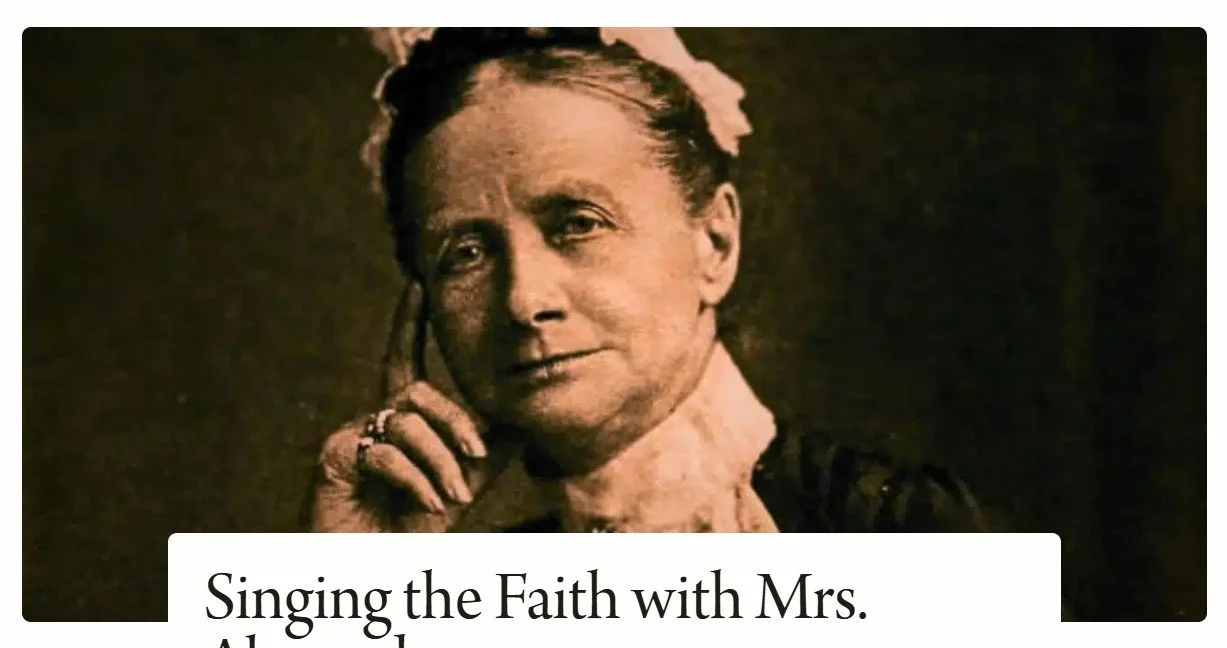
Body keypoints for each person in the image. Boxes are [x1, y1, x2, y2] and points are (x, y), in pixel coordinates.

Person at [309, 27, 986, 535]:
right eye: (465, 254)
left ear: (714, 242)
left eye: (578, 223)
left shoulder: (900, 527)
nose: (523, 300)